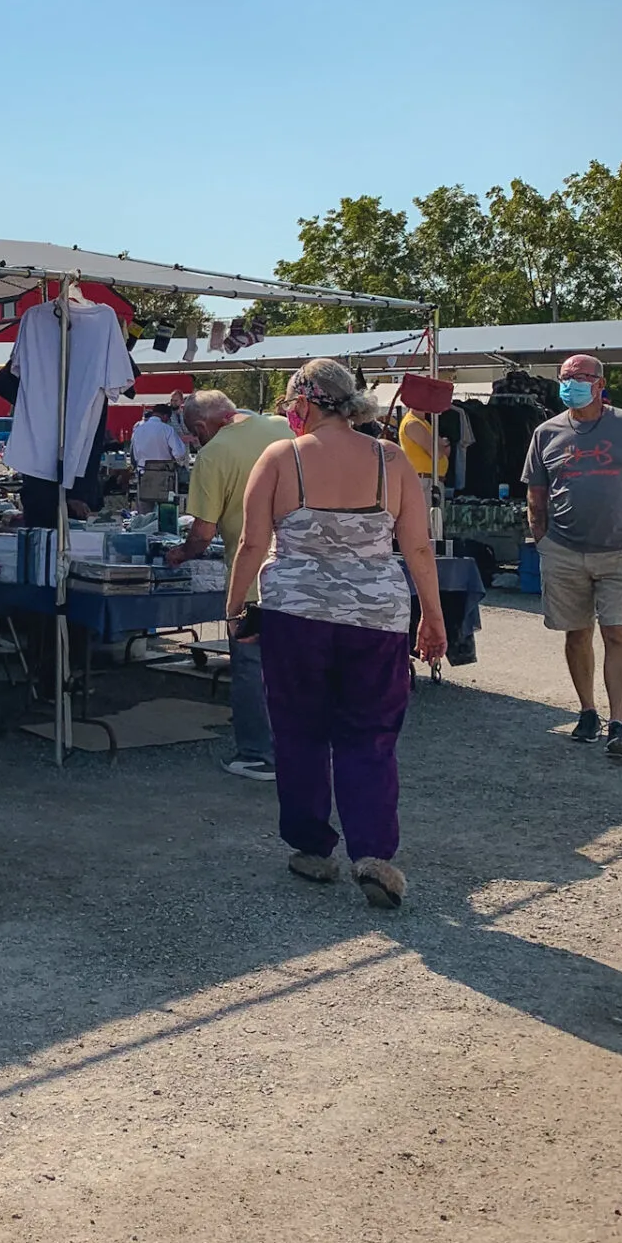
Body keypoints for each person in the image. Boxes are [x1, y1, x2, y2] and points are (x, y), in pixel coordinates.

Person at [226, 359, 446, 909]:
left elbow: (253, 544)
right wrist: (433, 617)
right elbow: (418, 547)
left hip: (296, 616)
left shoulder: (281, 458)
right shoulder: (390, 460)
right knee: (370, 734)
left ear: (306, 400)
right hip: (377, 618)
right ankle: (373, 856)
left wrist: (234, 608)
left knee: (299, 731)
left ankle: (312, 849)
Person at [166, 391, 289, 779]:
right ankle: (299, 749)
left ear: (202, 426)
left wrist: (180, 554)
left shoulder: (214, 454)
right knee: (294, 670)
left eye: (193, 433)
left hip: (251, 581)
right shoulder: (284, 427)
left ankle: (258, 754)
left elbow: (202, 533)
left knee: (252, 669)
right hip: (301, 577)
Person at [523, 352, 622, 755]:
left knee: (619, 632)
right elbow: (536, 491)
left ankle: (618, 722)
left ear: (600, 384)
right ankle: (588, 711)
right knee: (577, 632)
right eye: (565, 377)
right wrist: (542, 540)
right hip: (565, 550)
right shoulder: (546, 432)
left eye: (579, 377)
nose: (570, 383)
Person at [129, 403, 188, 505]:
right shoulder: (167, 429)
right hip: (165, 478)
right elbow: (179, 453)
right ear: (165, 416)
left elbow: (134, 455)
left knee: (145, 516)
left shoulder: (138, 430)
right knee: (166, 513)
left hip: (144, 477)